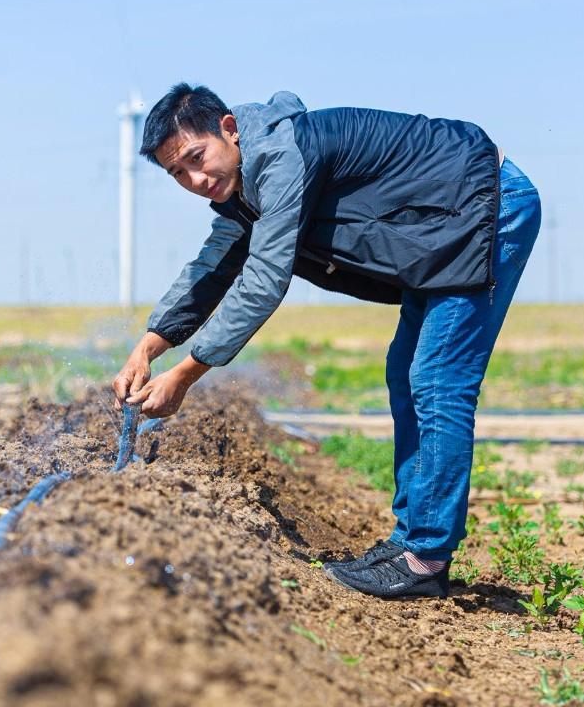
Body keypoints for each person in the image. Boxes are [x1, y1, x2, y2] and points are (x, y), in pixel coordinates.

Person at [112, 84, 541, 599]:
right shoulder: (245, 185)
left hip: (482, 203)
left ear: (228, 129)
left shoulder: (280, 158)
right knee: (408, 373)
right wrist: (148, 347)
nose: (195, 180)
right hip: (441, 225)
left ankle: (424, 557)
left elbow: (266, 276)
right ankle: (412, 540)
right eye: (177, 173)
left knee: (436, 379)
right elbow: (216, 265)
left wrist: (185, 374)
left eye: (196, 159)